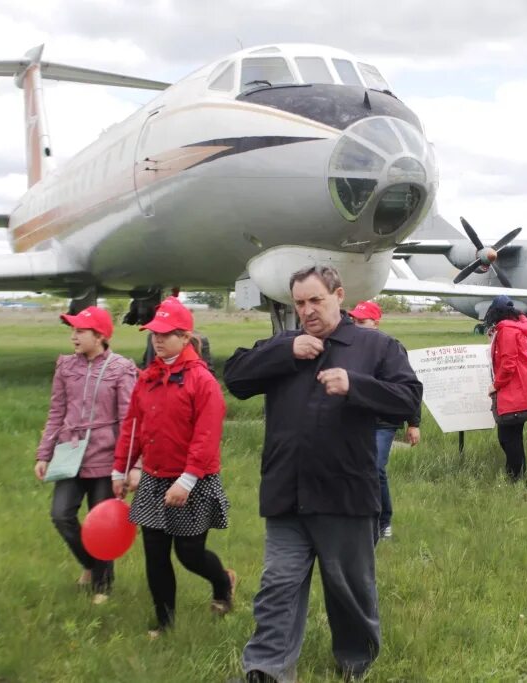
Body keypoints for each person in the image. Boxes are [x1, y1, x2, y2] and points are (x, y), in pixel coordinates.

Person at [223, 266, 422, 683]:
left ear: (338, 295)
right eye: (299, 303)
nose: (307, 310)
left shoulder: (375, 346)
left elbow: (407, 399)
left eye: (316, 300)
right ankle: (267, 668)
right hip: (287, 490)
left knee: (349, 589)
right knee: (278, 584)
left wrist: (355, 384)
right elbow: (236, 377)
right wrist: (285, 352)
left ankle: (354, 663)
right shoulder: (286, 345)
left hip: (344, 491)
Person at [111, 296, 233, 637]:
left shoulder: (202, 381)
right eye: (154, 334)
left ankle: (223, 583)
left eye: (166, 334)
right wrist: (120, 471)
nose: (158, 340)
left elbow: (206, 437)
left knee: (189, 554)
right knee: (155, 553)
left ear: (184, 336)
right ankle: (164, 625)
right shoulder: (148, 378)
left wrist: (187, 480)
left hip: (191, 480)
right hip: (153, 479)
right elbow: (132, 427)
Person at [35, 306, 137, 603]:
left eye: (80, 331)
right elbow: (56, 412)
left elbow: (129, 419)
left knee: (103, 524)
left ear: (100, 335)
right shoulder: (66, 366)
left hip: (107, 459)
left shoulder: (120, 368)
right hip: (70, 455)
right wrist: (44, 455)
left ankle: (102, 587)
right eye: (73, 331)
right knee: (61, 514)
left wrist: (131, 466)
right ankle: (91, 565)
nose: (74, 337)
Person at [348, 300, 422, 541]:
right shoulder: (348, 347)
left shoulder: (391, 348)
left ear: (376, 323)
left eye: (362, 322)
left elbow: (410, 387)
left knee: (375, 468)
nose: (357, 326)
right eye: (354, 321)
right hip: (358, 419)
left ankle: (384, 520)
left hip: (384, 422)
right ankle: (359, 518)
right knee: (356, 469)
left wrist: (413, 423)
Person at [486, 300, 527, 481]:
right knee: (512, 436)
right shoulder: (518, 327)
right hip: (522, 390)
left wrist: (496, 385)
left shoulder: (507, 332)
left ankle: (515, 477)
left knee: (508, 437)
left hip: (513, 392)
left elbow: (508, 364)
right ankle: (515, 474)